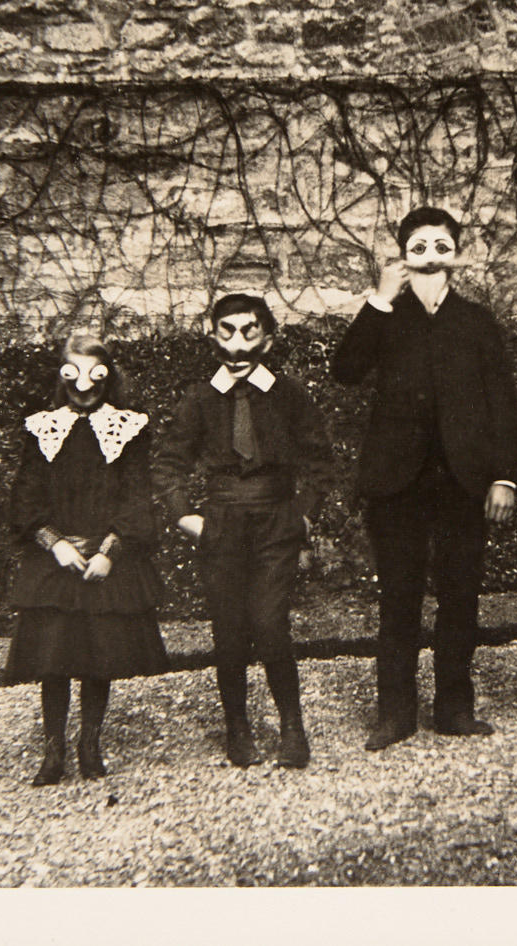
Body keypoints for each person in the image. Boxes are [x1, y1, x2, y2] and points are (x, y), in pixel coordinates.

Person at [331, 207, 517, 750]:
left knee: (460, 596)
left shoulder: (477, 321)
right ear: (403, 255)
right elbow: (345, 371)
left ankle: (455, 708)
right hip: (398, 481)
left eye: (441, 245)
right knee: (399, 598)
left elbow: (503, 405)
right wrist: (379, 299)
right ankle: (395, 713)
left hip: (464, 480)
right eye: (419, 246)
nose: (431, 256)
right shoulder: (386, 314)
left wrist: (504, 478)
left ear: (456, 255)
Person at [152, 295, 333, 769]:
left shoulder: (289, 394)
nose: (238, 344)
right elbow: (169, 464)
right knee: (229, 631)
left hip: (276, 520)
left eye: (249, 332)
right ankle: (238, 728)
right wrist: (185, 516)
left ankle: (292, 726)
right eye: (227, 332)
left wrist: (304, 517)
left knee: (271, 624)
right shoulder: (199, 399)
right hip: (222, 523)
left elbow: (319, 462)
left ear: (268, 338)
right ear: (213, 337)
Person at [4, 335, 168, 786]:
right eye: (72, 373)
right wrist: (53, 543)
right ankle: (53, 750)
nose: (83, 385)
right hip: (56, 560)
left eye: (94, 374)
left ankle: (89, 743)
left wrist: (111, 552)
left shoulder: (128, 428)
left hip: (102, 559)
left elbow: (137, 496)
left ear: (108, 377)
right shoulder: (42, 428)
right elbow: (24, 496)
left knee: (99, 657)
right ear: (62, 376)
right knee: (53, 660)